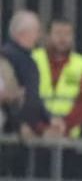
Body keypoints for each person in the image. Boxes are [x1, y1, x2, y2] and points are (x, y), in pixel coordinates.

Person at [33, 18, 82, 137]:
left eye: (67, 34)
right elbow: (23, 99)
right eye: (58, 33)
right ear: (47, 36)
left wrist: (65, 125)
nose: (63, 39)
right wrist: (42, 127)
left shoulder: (81, 64)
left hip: (69, 136)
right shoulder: (33, 60)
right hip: (35, 135)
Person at [1, 10, 48, 138]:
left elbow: (32, 96)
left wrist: (48, 119)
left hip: (24, 129)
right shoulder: (7, 59)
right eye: (36, 31)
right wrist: (19, 124)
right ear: (23, 33)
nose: (38, 36)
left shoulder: (28, 60)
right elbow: (9, 96)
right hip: (12, 132)